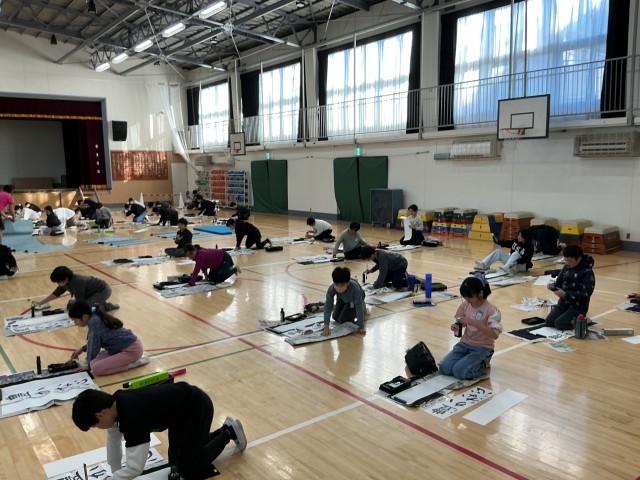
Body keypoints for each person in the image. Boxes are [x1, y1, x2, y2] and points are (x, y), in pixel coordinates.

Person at [71, 382, 247, 480]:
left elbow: (135, 468)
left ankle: (228, 433)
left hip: (196, 409)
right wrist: (115, 472)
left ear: (100, 415)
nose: (99, 428)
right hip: (179, 415)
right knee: (175, 463)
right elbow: (113, 440)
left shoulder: (132, 417)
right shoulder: (116, 404)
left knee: (188, 469)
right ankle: (224, 429)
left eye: (95, 426)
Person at [439, 275, 502, 380]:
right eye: (465, 297)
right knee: (444, 368)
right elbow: (461, 321)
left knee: (459, 372)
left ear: (480, 293)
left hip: (482, 348)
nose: (467, 300)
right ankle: (468, 361)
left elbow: (494, 335)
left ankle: (483, 364)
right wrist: (456, 326)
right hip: (464, 344)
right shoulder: (465, 305)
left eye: (470, 297)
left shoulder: (492, 310)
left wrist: (474, 323)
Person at [68, 301, 149, 376]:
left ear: (85, 317)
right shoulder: (94, 317)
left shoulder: (94, 322)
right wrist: (82, 349)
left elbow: (94, 346)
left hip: (131, 350)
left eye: (75, 320)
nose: (75, 323)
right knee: (92, 364)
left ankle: (133, 364)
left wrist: (88, 366)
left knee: (95, 369)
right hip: (121, 349)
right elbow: (94, 341)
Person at [545, 245, 595, 330]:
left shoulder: (587, 272)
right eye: (566, 260)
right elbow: (558, 283)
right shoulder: (566, 267)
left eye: (570, 261)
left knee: (559, 324)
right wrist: (551, 286)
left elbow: (586, 295)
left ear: (578, 259)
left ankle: (583, 321)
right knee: (549, 322)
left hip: (577, 307)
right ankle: (568, 317)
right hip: (563, 304)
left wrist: (566, 294)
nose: (568, 263)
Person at [32, 266, 119, 311]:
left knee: (85, 310)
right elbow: (56, 294)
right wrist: (41, 303)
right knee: (72, 307)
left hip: (103, 291)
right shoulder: (66, 281)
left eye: (58, 282)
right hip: (90, 293)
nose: (58, 284)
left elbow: (80, 301)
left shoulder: (77, 282)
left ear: (65, 279)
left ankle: (106, 306)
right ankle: (98, 302)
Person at [322, 266, 366, 336]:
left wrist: (360, 326)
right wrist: (326, 326)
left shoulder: (355, 288)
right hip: (343, 299)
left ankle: (364, 307)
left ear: (348, 283)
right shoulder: (331, 289)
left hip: (353, 301)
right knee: (335, 317)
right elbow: (328, 306)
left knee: (342, 319)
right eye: (337, 285)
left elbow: (358, 305)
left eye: (342, 285)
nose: (339, 287)